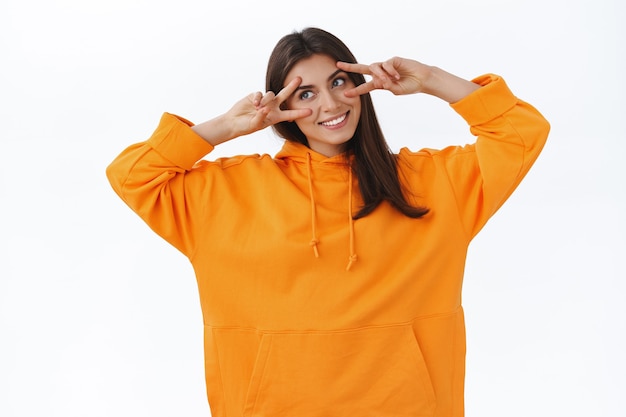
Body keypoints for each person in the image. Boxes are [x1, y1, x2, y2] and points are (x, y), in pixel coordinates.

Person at [107, 27, 549, 417]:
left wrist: (431, 79)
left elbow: (521, 133)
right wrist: (225, 126)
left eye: (339, 82)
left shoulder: (432, 184)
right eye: (306, 93)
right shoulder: (228, 192)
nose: (331, 103)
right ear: (281, 105)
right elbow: (131, 176)